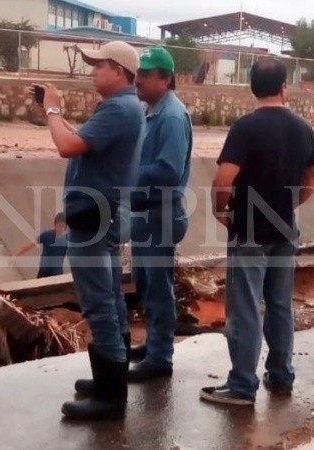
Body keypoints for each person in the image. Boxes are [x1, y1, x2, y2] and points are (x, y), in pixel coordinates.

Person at [200, 58, 314, 406]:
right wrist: (288, 205)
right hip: (284, 229)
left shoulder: (245, 128)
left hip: (249, 230)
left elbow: (223, 179)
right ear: (284, 87)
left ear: (252, 87)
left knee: (247, 308)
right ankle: (281, 376)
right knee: (281, 304)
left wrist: (220, 209)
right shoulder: (302, 128)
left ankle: (241, 386)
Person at [40, 41, 144, 421]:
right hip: (107, 213)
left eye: (98, 65)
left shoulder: (119, 108)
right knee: (111, 300)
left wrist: (52, 110)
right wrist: (56, 113)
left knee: (99, 305)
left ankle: (111, 398)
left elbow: (67, 147)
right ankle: (108, 383)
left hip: (95, 216)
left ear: (118, 70)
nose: (91, 71)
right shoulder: (124, 107)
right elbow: (82, 140)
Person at [127, 46, 193, 380]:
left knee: (157, 285)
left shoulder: (170, 116)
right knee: (146, 282)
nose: (137, 79)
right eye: (138, 73)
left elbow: (168, 170)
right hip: (148, 212)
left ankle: (161, 357)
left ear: (165, 79)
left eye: (146, 74)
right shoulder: (152, 110)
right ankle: (153, 345)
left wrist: (125, 174)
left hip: (161, 212)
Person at [11, 212, 67, 278]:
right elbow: (30, 245)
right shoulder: (46, 235)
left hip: (57, 273)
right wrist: (15, 255)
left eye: (63, 227)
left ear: (66, 228)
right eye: (59, 226)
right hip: (44, 271)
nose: (60, 229)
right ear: (54, 224)